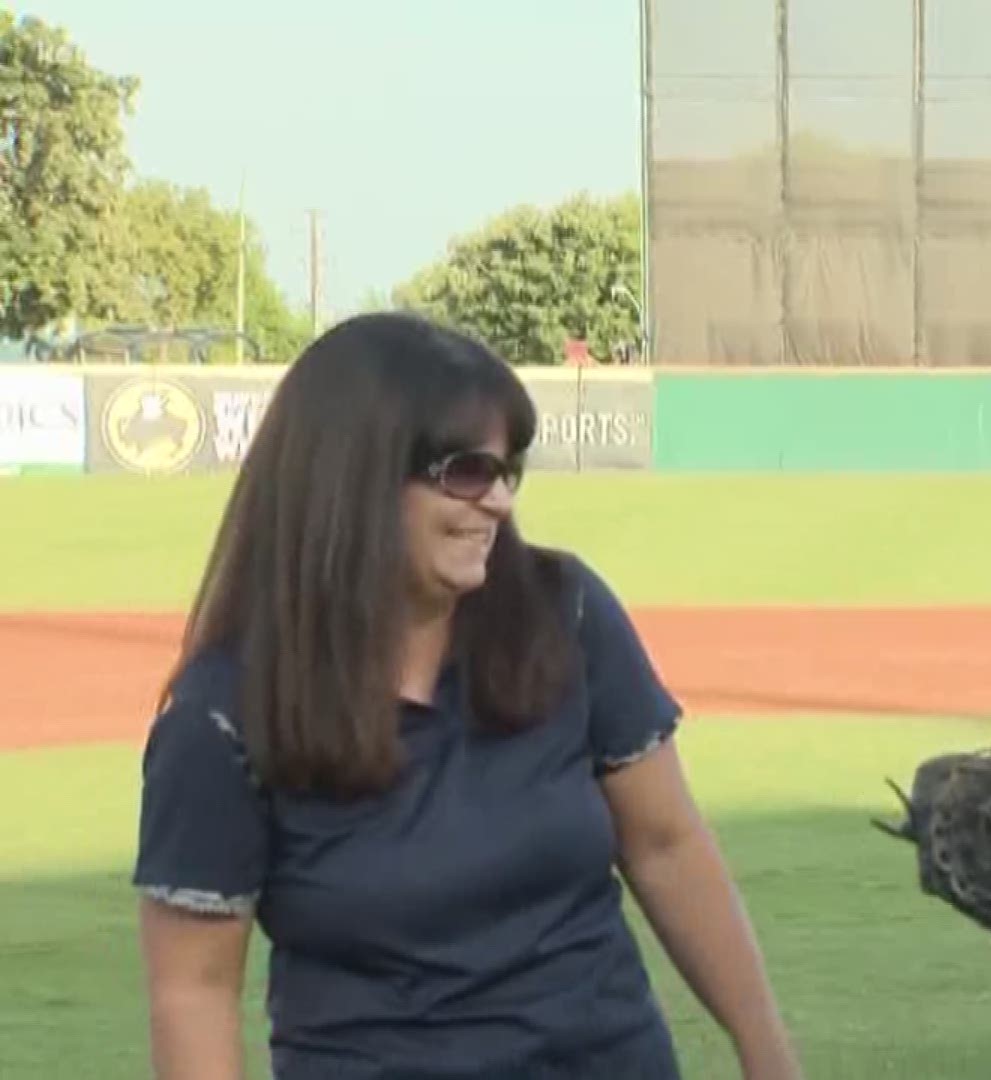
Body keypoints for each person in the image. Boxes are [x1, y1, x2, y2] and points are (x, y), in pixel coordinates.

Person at [131, 312, 802, 1079]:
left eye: (508, 469)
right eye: (467, 472)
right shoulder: (221, 717)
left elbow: (665, 843)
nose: (500, 501)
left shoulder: (566, 613)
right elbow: (194, 991)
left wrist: (768, 1052)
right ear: (357, 477)